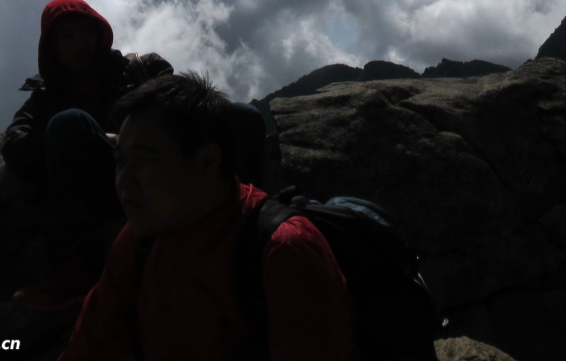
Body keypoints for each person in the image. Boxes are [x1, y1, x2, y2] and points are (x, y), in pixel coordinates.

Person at [58, 72, 359, 361]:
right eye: (120, 161)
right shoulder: (140, 243)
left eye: (141, 161)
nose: (124, 179)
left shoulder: (285, 252)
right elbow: (88, 347)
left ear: (207, 161)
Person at [2, 0, 174, 311]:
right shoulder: (44, 100)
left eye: (86, 31)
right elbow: (15, 147)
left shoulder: (143, 69)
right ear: (51, 46)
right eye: (67, 36)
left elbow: (182, 114)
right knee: (69, 123)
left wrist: (124, 140)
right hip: (101, 195)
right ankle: (75, 274)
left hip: (161, 177)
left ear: (100, 34)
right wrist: (75, 138)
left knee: (240, 116)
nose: (80, 42)